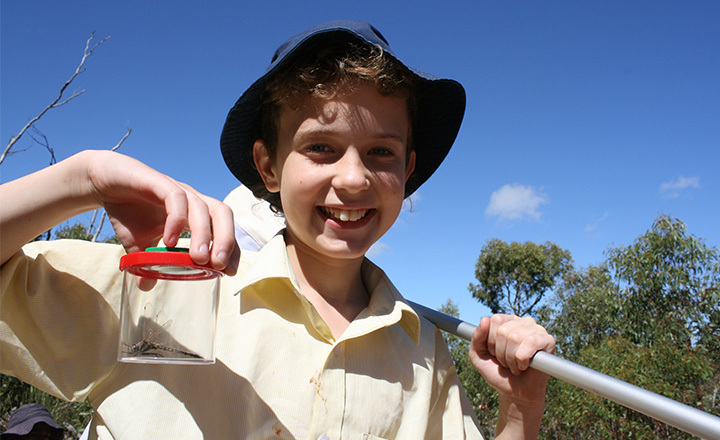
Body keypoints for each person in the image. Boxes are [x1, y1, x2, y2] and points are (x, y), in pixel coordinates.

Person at [0, 20, 555, 439]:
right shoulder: (166, 284)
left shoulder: (423, 348)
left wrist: (519, 410)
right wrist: (84, 177)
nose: (354, 178)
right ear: (268, 167)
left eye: (381, 152)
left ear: (406, 173)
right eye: (321, 147)